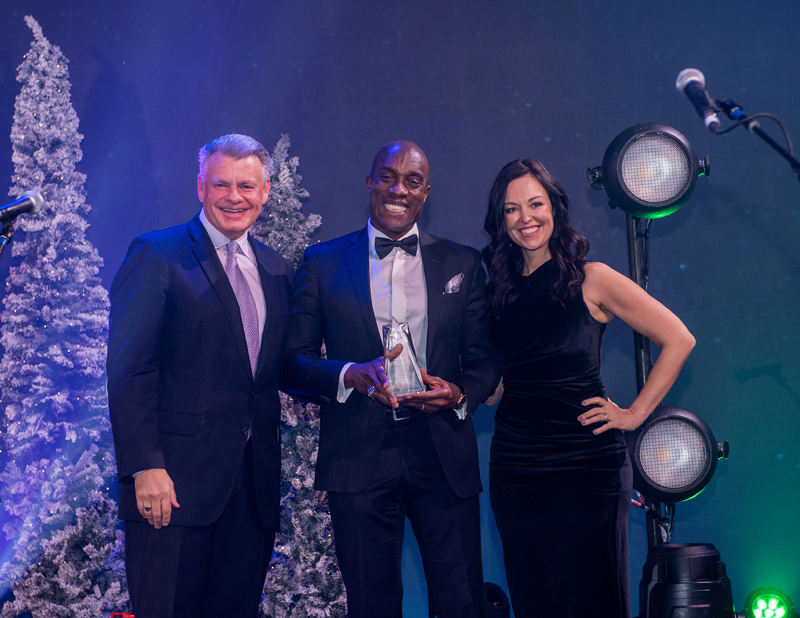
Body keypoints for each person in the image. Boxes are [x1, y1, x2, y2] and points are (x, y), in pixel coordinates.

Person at [281, 141, 500, 618]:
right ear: (369, 183)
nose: (399, 189)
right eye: (388, 176)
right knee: (371, 605)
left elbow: (485, 360)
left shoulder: (463, 263)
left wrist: (458, 393)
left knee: (461, 600)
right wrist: (351, 375)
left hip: (442, 452)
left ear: (426, 193)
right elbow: (292, 361)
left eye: (412, 181)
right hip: (358, 455)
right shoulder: (321, 262)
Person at [481, 159, 695, 618]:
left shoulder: (590, 277)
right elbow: (501, 384)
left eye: (535, 204)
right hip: (517, 467)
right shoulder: (497, 292)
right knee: (536, 600)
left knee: (592, 600)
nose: (526, 218)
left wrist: (634, 415)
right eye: (512, 209)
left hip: (586, 466)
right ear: (501, 220)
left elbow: (679, 339)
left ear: (554, 208)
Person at [107, 134, 293, 618]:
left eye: (246, 186)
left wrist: (351, 375)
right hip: (171, 491)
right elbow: (130, 369)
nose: (234, 196)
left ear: (265, 191)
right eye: (221, 184)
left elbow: (279, 368)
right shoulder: (157, 254)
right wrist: (145, 466)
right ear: (200, 187)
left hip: (251, 497)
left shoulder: (278, 270)